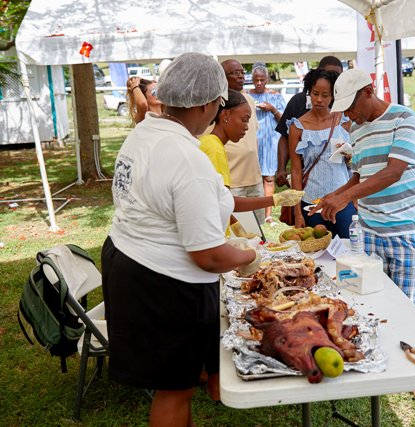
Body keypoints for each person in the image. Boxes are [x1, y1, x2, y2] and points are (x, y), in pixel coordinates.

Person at [101, 53, 262, 427]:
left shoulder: (144, 131)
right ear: (207, 104)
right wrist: (248, 256)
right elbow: (206, 255)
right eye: (220, 103)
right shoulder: (188, 160)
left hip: (128, 259)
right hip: (161, 281)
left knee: (175, 385)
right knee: (174, 389)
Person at [312, 68, 415, 310]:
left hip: (403, 231)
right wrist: (332, 196)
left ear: (368, 91)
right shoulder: (356, 129)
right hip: (369, 231)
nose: (348, 114)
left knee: (408, 309)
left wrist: (344, 197)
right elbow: (360, 175)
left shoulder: (404, 118)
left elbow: (393, 171)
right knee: (375, 301)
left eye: (350, 107)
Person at [199, 89, 304, 236]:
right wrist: (275, 199)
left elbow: (219, 201)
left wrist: (236, 226)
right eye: (244, 120)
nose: (247, 127)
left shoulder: (212, 144)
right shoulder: (214, 148)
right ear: (226, 115)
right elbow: (225, 202)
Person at [288, 68, 355, 237]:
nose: (319, 99)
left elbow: (356, 163)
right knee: (315, 254)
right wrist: (297, 212)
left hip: (342, 200)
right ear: (308, 92)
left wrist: (349, 156)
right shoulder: (297, 127)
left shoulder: (344, 122)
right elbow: (296, 171)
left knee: (346, 252)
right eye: (315, 93)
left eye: (325, 95)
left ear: (333, 96)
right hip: (311, 203)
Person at [275, 56, 344, 188]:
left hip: (338, 181)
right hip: (307, 179)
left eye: (336, 76)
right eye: (315, 93)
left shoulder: (344, 105)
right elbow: (285, 135)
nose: (319, 99)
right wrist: (281, 168)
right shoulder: (298, 102)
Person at [220, 59, 266, 224]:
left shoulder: (249, 100)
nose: (240, 76)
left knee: (258, 231)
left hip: (254, 177)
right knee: (239, 232)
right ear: (223, 77)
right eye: (234, 73)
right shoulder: (217, 103)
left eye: (242, 72)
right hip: (232, 181)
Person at [249, 63, 286, 223]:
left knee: (268, 178)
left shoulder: (276, 97)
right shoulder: (246, 96)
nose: (258, 83)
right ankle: (252, 213)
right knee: (252, 177)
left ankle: (268, 214)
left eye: (262, 80)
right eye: (256, 80)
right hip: (252, 141)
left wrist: (272, 109)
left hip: (270, 141)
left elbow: (284, 121)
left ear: (267, 80)